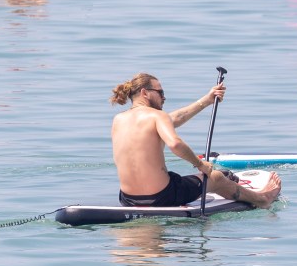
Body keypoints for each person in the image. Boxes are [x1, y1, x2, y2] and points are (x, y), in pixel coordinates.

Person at [110, 72, 282, 208]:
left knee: (202, 177)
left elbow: (175, 118)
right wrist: (201, 165)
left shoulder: (119, 120)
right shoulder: (158, 116)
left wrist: (206, 101)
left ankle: (228, 179)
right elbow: (175, 143)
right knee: (216, 178)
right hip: (162, 197)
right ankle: (263, 199)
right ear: (144, 93)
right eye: (160, 92)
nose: (164, 97)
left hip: (128, 199)